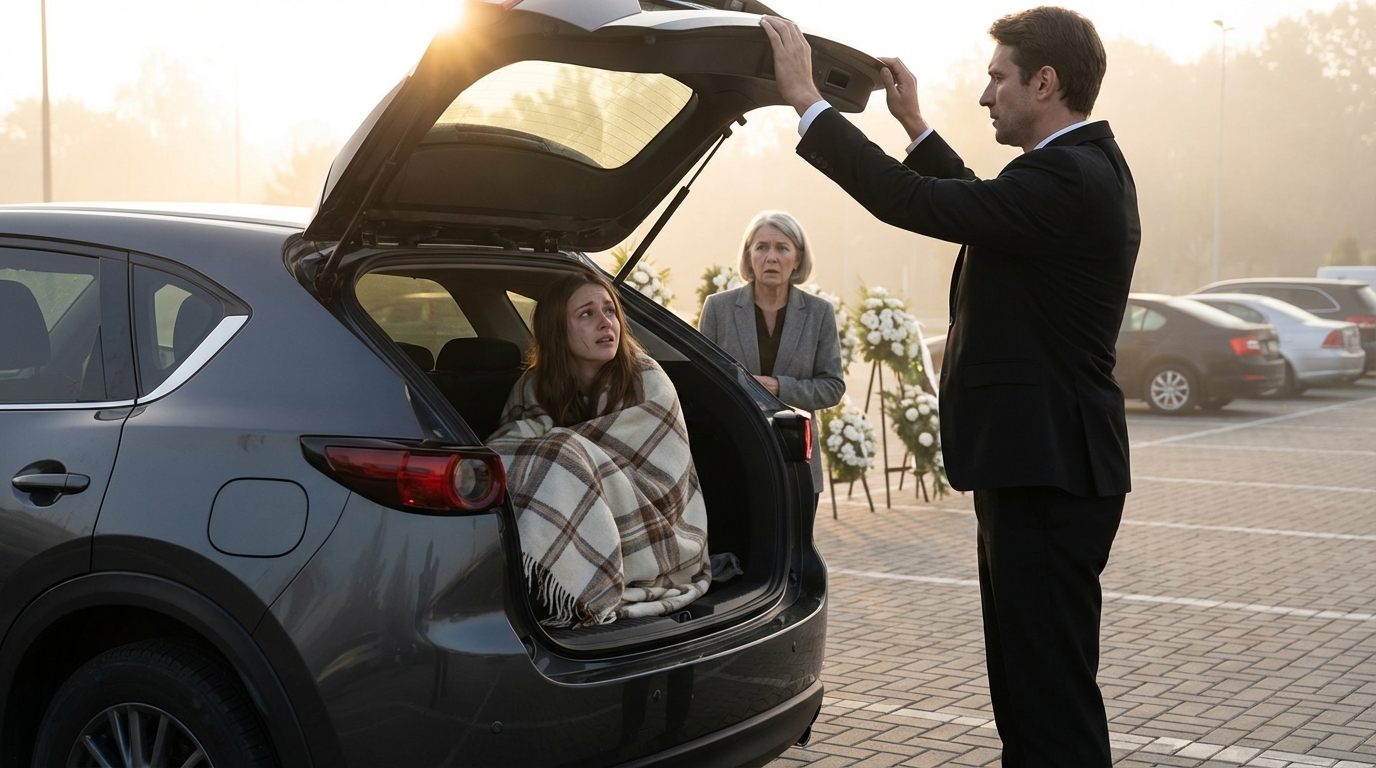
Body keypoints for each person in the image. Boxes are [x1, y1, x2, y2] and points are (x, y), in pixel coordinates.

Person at [761, 8, 1139, 766]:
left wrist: (809, 102)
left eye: (998, 77)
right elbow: (977, 208)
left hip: (1047, 473)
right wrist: (915, 126)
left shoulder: (1070, 176)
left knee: (1048, 705)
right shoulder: (1070, 172)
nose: (986, 94)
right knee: (1032, 694)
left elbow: (920, 204)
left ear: (1045, 81)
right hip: (1039, 468)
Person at [487, 271, 711, 629]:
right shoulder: (533, 386)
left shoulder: (647, 379)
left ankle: (585, 585)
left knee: (560, 457)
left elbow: (665, 485)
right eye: (587, 314)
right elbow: (507, 449)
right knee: (554, 457)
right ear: (557, 331)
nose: (606, 322)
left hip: (654, 525)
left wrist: (567, 452)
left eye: (610, 310)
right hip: (590, 512)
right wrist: (565, 453)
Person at [697, 211, 845, 501]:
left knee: (794, 546)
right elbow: (702, 386)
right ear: (748, 256)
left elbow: (833, 387)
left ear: (798, 259)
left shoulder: (819, 313)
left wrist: (779, 388)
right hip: (733, 458)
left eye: (782, 248)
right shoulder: (718, 309)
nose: (771, 257)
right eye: (761, 247)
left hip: (795, 461)